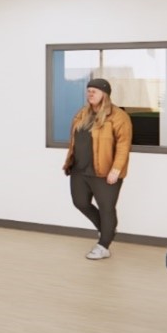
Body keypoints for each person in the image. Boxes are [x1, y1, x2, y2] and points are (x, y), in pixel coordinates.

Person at [62, 78, 133, 260]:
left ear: (105, 94)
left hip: (105, 171)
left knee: (106, 208)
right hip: (80, 169)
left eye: (94, 91)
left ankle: (104, 245)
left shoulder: (118, 116)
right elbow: (75, 141)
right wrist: (70, 161)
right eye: (88, 90)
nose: (90, 93)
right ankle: (107, 229)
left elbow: (124, 145)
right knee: (80, 202)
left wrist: (116, 169)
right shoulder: (82, 114)